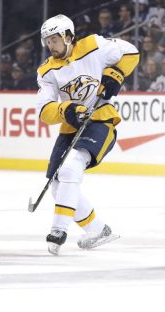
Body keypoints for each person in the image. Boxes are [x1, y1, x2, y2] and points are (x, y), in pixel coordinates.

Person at [37, 14, 139, 255]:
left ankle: (58, 230)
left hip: (101, 117)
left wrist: (116, 74)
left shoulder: (93, 46)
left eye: (54, 40)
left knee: (71, 167)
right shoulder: (47, 70)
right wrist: (67, 110)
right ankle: (97, 229)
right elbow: (44, 110)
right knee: (56, 185)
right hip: (71, 126)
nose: (51, 46)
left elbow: (131, 52)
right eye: (47, 41)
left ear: (68, 36)